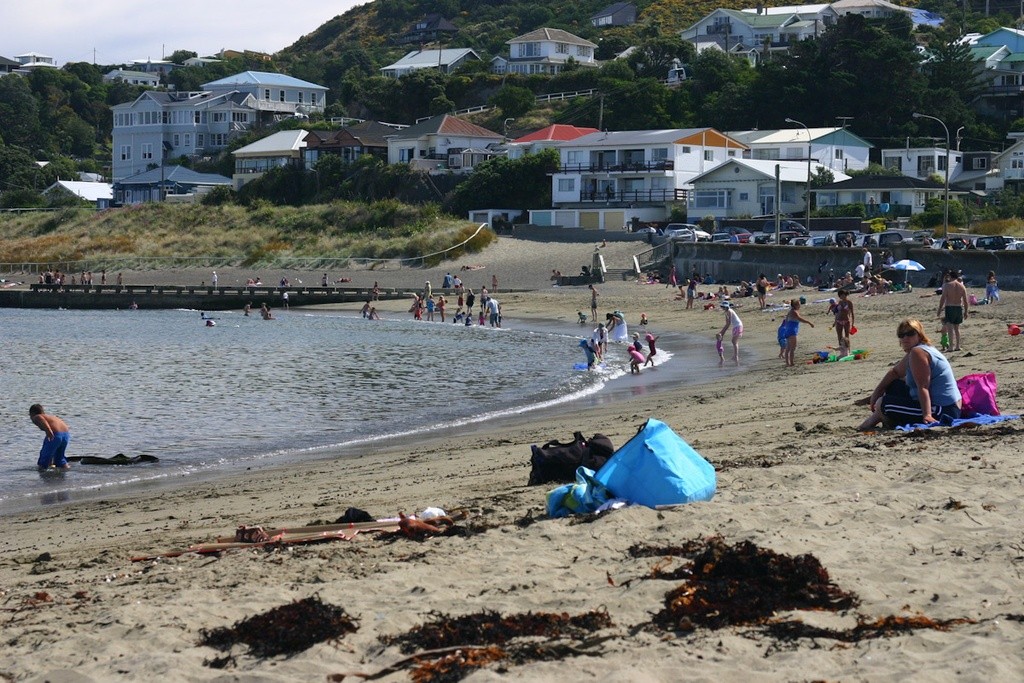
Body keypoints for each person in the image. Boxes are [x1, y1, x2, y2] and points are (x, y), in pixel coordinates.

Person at [858, 318, 962, 430]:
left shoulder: (918, 353)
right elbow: (895, 372)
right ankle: (875, 420)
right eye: (901, 335)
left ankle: (874, 422)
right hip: (950, 407)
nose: (905, 338)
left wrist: (927, 415)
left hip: (943, 410)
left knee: (883, 404)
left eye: (910, 333)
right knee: (894, 386)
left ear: (919, 334)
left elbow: (923, 386)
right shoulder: (921, 349)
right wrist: (877, 392)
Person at [30, 404, 71, 471]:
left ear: (32, 413)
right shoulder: (51, 417)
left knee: (44, 457)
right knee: (59, 458)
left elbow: (40, 419)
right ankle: (67, 470)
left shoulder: (37, 416)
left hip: (55, 434)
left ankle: (42, 472)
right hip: (66, 435)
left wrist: (48, 430)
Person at [938, 270, 969, 351]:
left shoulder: (947, 285)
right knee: (957, 328)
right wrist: (966, 311)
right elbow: (965, 300)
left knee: (950, 327)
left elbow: (943, 298)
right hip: (958, 307)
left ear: (950, 277)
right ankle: (957, 346)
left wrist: (939, 309)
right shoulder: (962, 286)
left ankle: (951, 346)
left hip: (950, 307)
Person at [778, 299, 814, 367]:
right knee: (792, 348)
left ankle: (787, 363)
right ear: (795, 305)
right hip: (792, 331)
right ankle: (791, 363)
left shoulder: (790, 312)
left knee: (788, 348)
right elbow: (800, 319)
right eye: (799, 304)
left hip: (788, 331)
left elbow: (786, 322)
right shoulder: (794, 312)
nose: (800, 306)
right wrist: (809, 322)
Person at [832, 289, 855, 357]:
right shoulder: (839, 302)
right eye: (841, 295)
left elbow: (852, 313)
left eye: (843, 295)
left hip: (846, 320)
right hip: (839, 320)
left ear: (846, 295)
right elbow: (837, 313)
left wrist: (853, 323)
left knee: (847, 337)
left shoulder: (849, 302)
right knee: (839, 337)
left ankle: (848, 351)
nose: (842, 297)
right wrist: (835, 322)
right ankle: (842, 352)